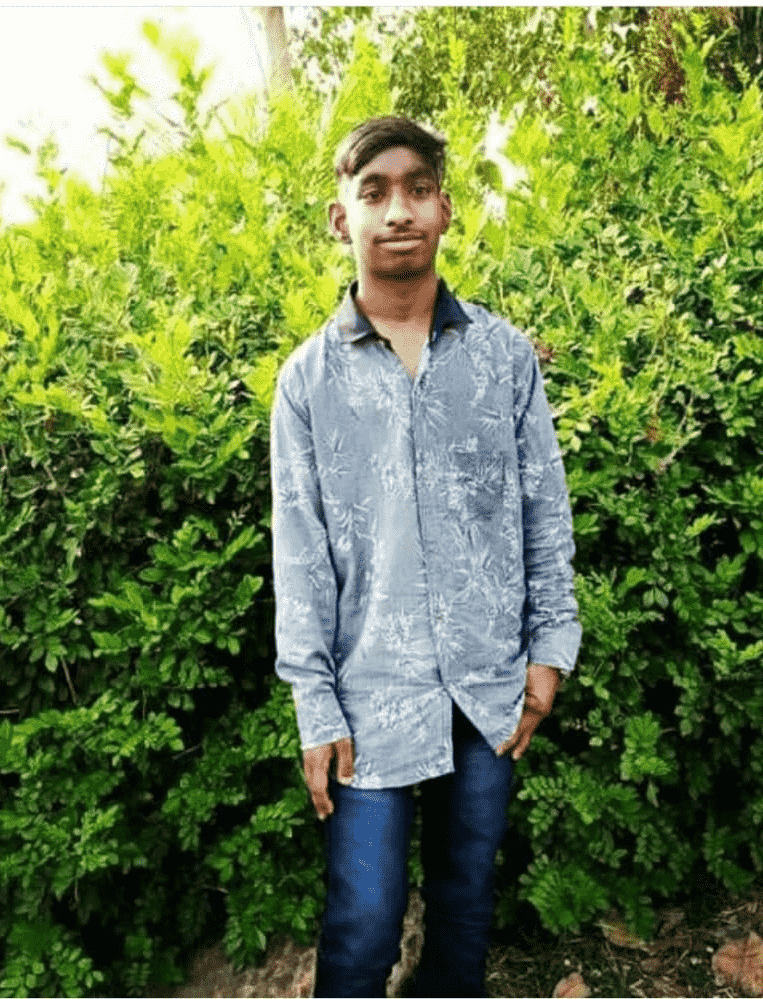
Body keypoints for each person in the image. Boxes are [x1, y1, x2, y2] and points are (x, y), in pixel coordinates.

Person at [269, 115, 582, 999]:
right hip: (367, 695)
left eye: (417, 189)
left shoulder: (503, 359)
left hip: (488, 683)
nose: (398, 210)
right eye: (374, 192)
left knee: (465, 903)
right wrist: (314, 701)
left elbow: (543, 509)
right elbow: (301, 553)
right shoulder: (308, 381)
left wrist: (550, 649)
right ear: (342, 219)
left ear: (446, 208)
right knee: (362, 923)